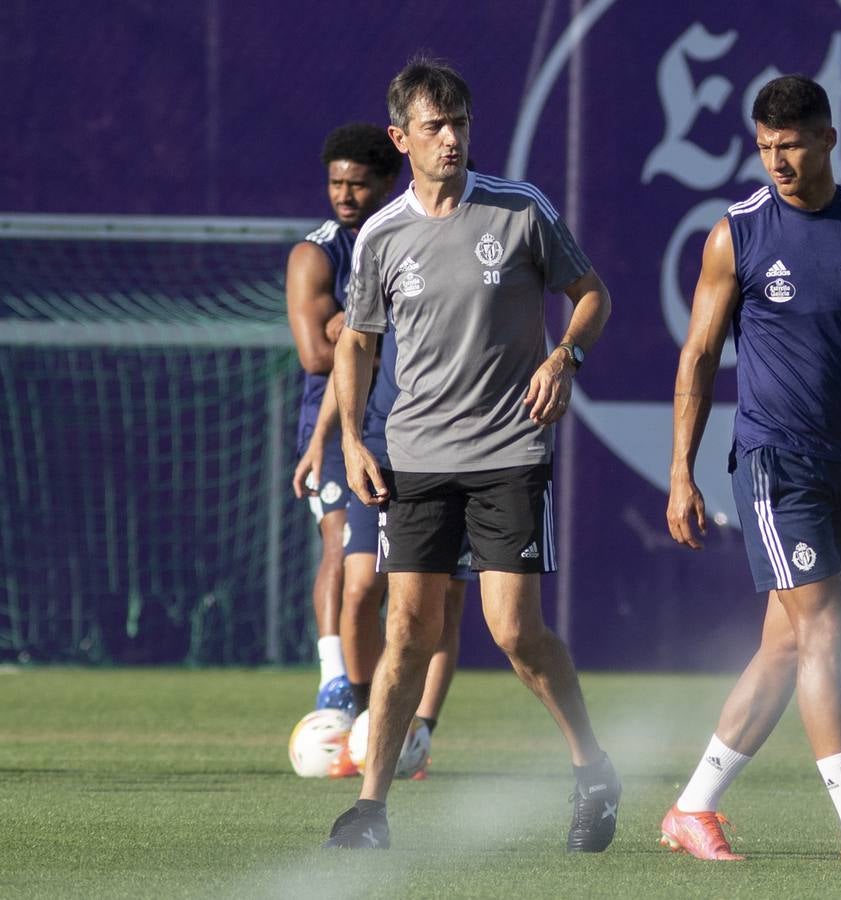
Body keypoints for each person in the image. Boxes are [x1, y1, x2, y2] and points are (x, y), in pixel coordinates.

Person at [321, 57, 619, 851]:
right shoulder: (381, 234)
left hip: (509, 450)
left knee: (514, 633)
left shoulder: (520, 210)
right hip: (415, 458)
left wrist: (565, 359)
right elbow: (355, 343)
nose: (450, 139)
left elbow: (592, 294)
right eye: (433, 127)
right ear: (402, 138)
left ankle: (592, 768)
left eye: (459, 124)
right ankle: (371, 810)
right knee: (407, 634)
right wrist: (353, 440)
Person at [663, 75, 841, 864]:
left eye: (793, 144)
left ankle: (692, 809)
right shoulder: (735, 233)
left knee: (784, 648)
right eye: (765, 146)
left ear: (829, 139)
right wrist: (683, 471)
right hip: (776, 462)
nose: (777, 159)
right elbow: (699, 355)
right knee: (826, 633)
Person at [294, 321, 473, 779]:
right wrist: (321, 440)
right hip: (381, 450)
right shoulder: (384, 258)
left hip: (457, 448)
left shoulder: (468, 266)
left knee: (442, 603)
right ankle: (365, 719)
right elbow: (347, 350)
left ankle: (421, 728)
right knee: (359, 590)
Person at [287, 123, 403, 714]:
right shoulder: (316, 252)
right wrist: (367, 339)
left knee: (388, 576)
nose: (345, 194)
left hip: (401, 421)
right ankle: (334, 680)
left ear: (386, 181)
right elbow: (316, 354)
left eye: (358, 183)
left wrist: (355, 331)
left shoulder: (405, 238)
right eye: (336, 182)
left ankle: (383, 696)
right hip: (332, 428)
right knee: (338, 544)